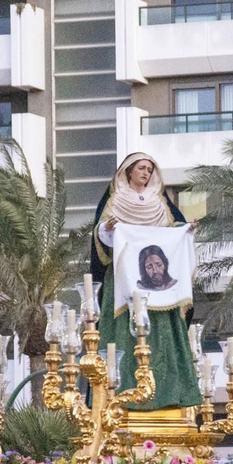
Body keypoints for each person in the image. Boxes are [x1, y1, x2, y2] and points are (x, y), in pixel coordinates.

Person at [92, 153, 200, 411]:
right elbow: (101, 237)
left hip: (160, 290)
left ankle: (169, 396)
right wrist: (108, 229)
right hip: (123, 282)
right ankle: (120, 394)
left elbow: (173, 233)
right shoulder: (115, 201)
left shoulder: (160, 203)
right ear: (128, 171)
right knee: (122, 335)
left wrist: (186, 232)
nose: (146, 173)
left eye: (150, 169)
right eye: (141, 168)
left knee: (162, 336)